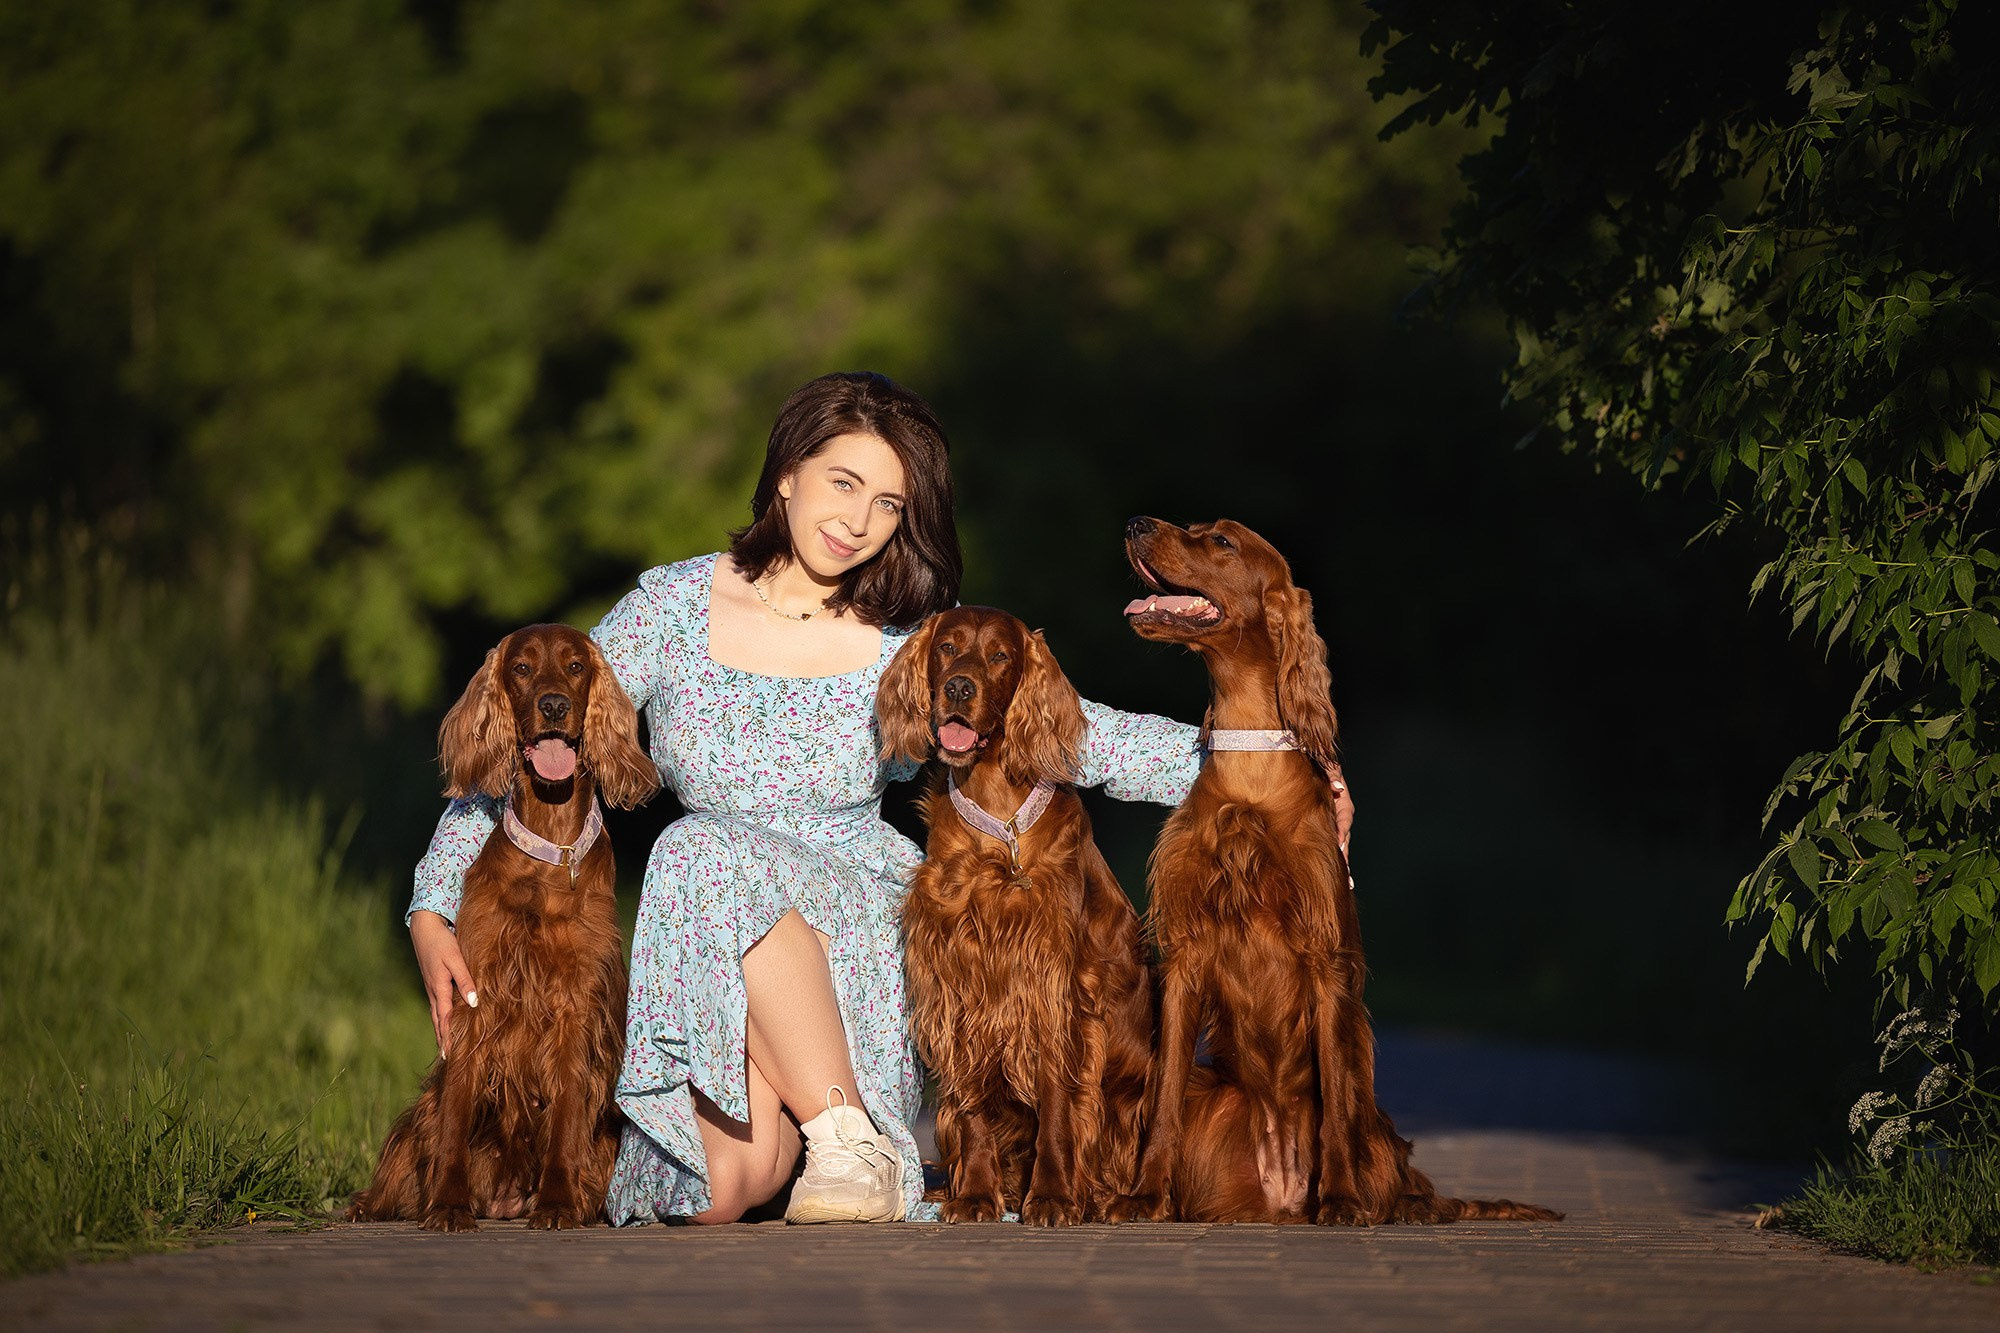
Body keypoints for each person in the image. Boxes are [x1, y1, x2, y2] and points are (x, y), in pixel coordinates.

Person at [405, 371, 1354, 1225]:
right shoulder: (672, 605)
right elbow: (536, 738)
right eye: (843, 483)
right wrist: (433, 899)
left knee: (697, 843)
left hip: (855, 923)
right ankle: (823, 1149)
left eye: (889, 504)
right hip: (715, 945)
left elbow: (1089, 738)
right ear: (787, 475)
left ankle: (854, 1136)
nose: (858, 521)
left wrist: (1290, 765)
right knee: (716, 1190)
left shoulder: (910, 638)